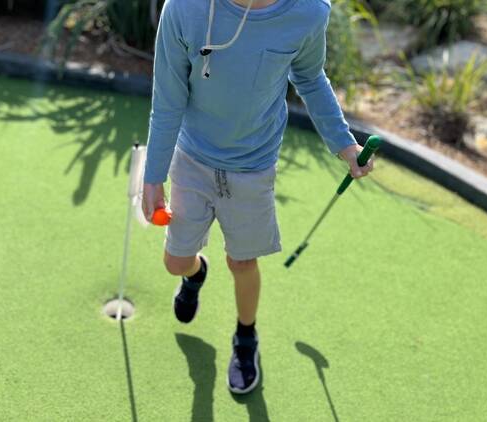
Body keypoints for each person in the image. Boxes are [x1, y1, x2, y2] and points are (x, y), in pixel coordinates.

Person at [141, 0, 374, 395]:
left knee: (242, 261)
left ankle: (245, 337)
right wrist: (153, 177)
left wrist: (344, 144)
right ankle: (196, 273)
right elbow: (167, 98)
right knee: (174, 262)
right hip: (192, 156)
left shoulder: (309, 12)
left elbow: (311, 78)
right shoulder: (183, 8)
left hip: (253, 166)